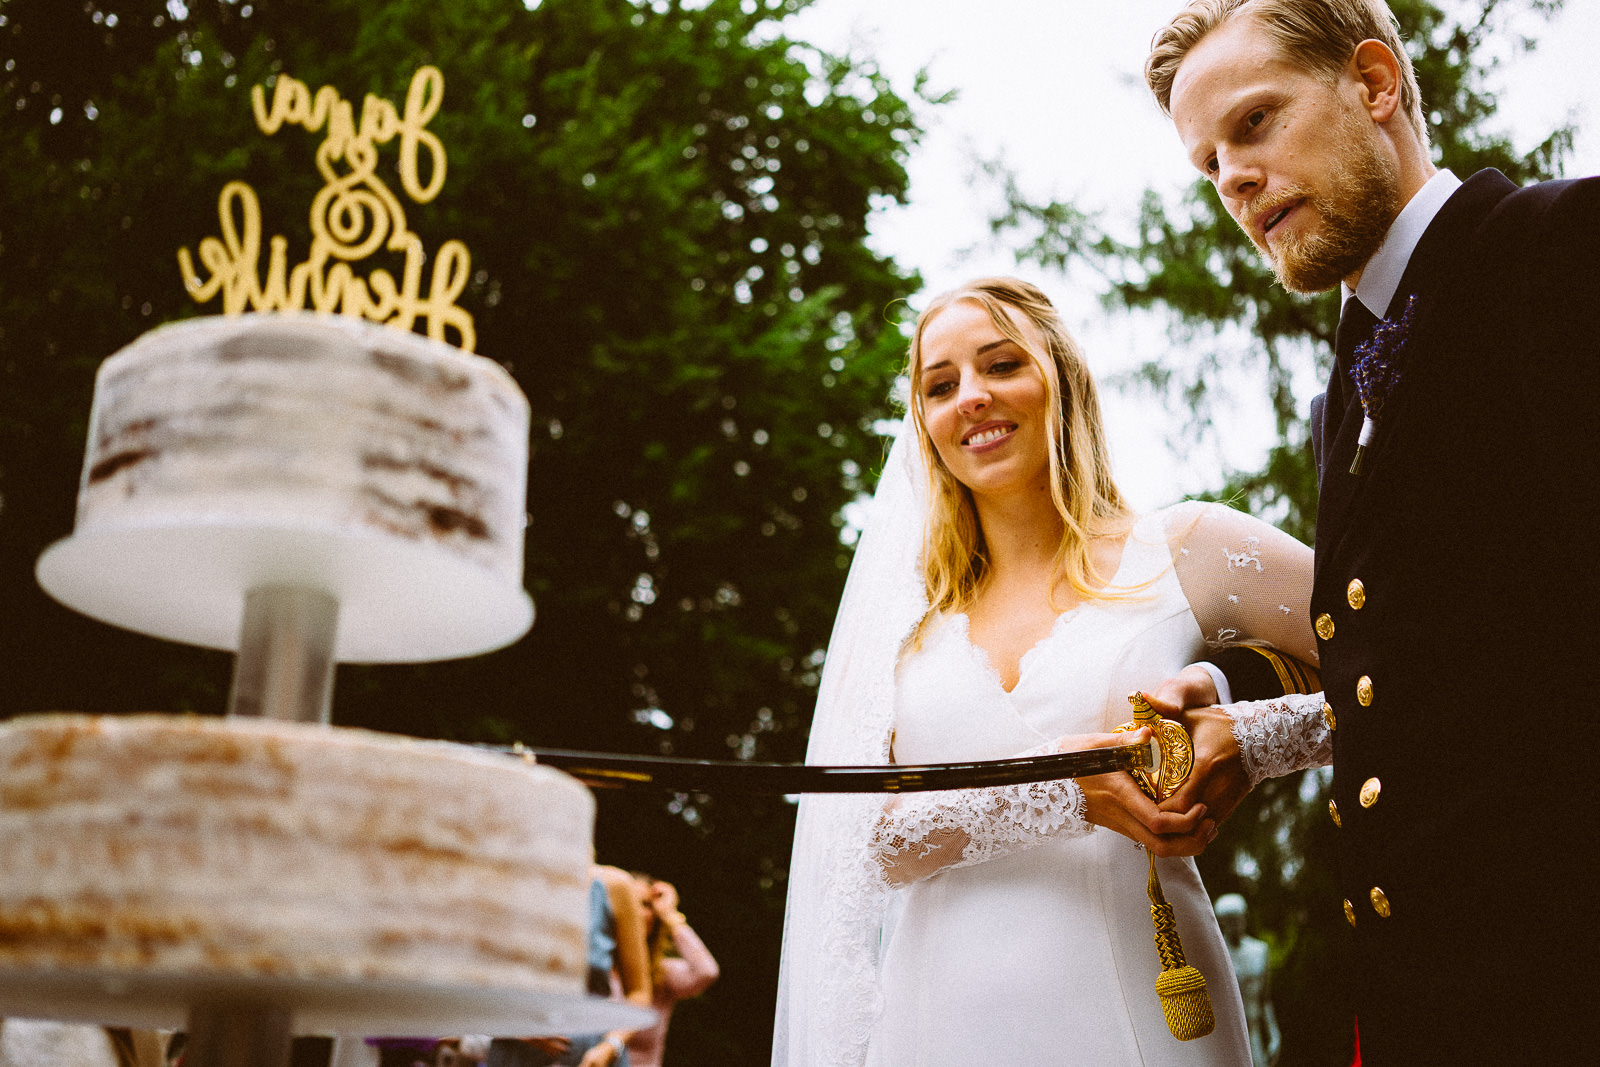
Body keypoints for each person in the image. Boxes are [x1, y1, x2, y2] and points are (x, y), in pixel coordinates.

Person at [1143, 1, 1600, 1060]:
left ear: (1375, 83)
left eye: (1254, 123)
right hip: (1431, 1011)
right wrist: (1229, 704)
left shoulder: (1559, 250)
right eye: (1208, 162)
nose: (1234, 180)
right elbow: (1415, 649)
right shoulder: (1347, 389)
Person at [772, 276, 1326, 1066]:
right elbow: (859, 841)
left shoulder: (1185, 550)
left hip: (1139, 989)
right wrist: (1069, 791)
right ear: (923, 424)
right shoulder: (902, 624)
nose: (971, 396)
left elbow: (1407, 671)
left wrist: (1246, 731)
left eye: (1001, 365)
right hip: (935, 1017)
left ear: (1061, 378)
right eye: (941, 384)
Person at [489, 865, 650, 1067]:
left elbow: (640, 994)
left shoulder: (615, 886)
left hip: (594, 1057)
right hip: (517, 1055)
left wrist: (611, 1045)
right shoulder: (502, 879)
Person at [623, 877, 719, 1067]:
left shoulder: (663, 974)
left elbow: (706, 971)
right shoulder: (594, 966)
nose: (637, 912)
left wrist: (670, 915)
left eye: (645, 904)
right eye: (629, 902)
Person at [1213, 894, 1280, 1067]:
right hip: (1225, 1036)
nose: (1235, 925)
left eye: (1238, 919)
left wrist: (1274, 1034)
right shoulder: (1217, 955)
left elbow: (1265, 999)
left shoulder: (1259, 951)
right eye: (1230, 921)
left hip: (1253, 1032)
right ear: (1222, 923)